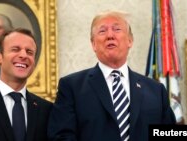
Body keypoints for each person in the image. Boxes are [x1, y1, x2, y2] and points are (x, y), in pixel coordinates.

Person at [47, 11, 176, 141]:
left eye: (117, 29)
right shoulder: (71, 87)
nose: (110, 35)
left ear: (130, 41)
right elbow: (61, 137)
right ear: (93, 45)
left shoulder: (156, 90)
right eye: (102, 31)